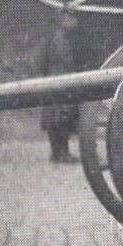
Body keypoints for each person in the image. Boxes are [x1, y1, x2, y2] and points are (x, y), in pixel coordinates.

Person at [37, 11, 82, 164]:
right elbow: (63, 64)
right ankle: (61, 153)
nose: (75, 22)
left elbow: (42, 63)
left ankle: (58, 153)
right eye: (72, 18)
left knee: (56, 118)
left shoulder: (56, 38)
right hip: (61, 84)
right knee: (61, 117)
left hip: (54, 82)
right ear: (64, 20)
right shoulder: (60, 40)